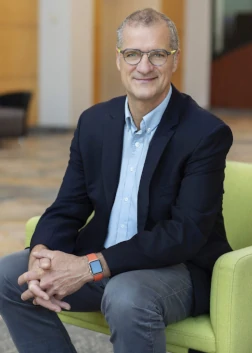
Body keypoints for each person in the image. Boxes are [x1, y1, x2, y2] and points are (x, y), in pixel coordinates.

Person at [0, 8, 233, 353]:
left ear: (174, 60)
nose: (144, 66)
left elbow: (184, 234)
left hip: (173, 270)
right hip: (99, 262)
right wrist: (41, 253)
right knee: (10, 275)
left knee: (126, 297)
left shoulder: (205, 133)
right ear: (119, 59)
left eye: (157, 54)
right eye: (133, 54)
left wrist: (89, 266)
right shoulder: (95, 122)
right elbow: (69, 205)